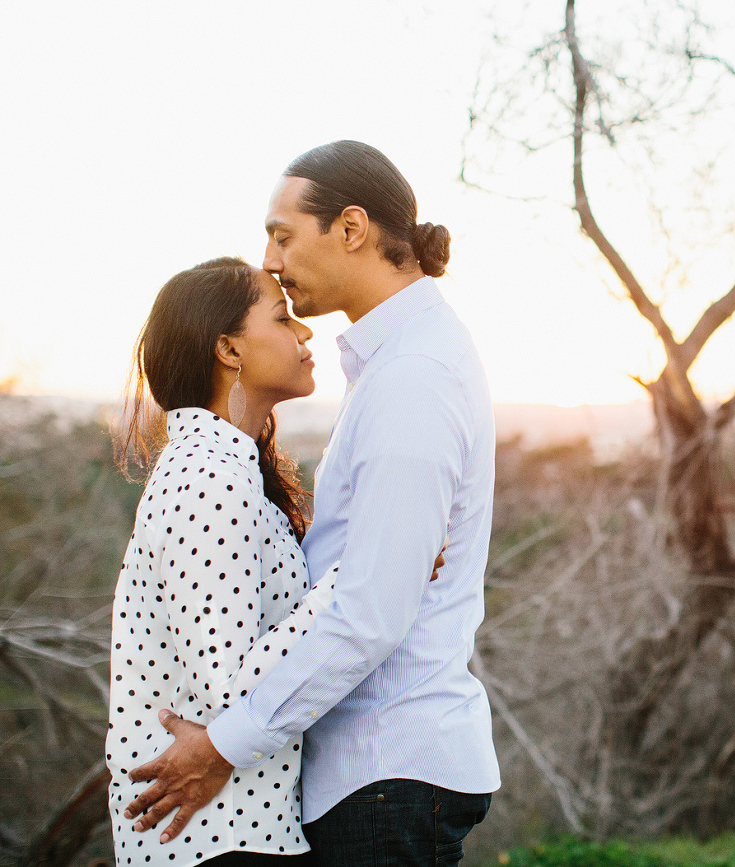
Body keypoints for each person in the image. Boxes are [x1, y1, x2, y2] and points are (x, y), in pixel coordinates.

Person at [124, 141, 501, 867]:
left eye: (283, 234)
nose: (269, 259)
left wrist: (223, 746)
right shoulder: (396, 366)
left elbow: (371, 608)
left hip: (384, 767)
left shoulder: (414, 377)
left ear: (351, 229)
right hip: (370, 773)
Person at [108, 257, 335, 865]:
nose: (305, 332)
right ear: (229, 349)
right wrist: (351, 589)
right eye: (283, 318)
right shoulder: (208, 477)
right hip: (212, 838)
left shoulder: (225, 469)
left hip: (233, 828)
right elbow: (225, 683)